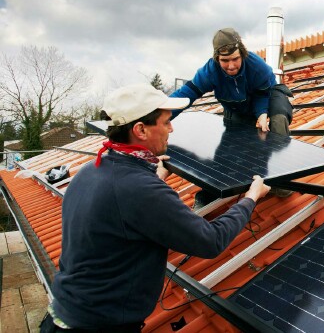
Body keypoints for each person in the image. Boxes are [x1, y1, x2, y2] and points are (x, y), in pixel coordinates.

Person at [41, 83, 270, 332]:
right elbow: (211, 240)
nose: (171, 129)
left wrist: (151, 174)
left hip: (64, 313)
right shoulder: (138, 190)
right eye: (165, 122)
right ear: (140, 129)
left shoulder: (91, 171)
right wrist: (250, 198)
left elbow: (121, 204)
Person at [170, 28, 294, 200]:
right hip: (236, 107)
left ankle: (281, 181)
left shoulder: (257, 67)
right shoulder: (209, 72)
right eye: (224, 60)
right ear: (216, 58)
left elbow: (262, 93)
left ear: (242, 54)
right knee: (231, 147)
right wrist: (159, 117)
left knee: (277, 122)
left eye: (235, 59)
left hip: (268, 96)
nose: (231, 65)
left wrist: (262, 113)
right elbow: (186, 94)